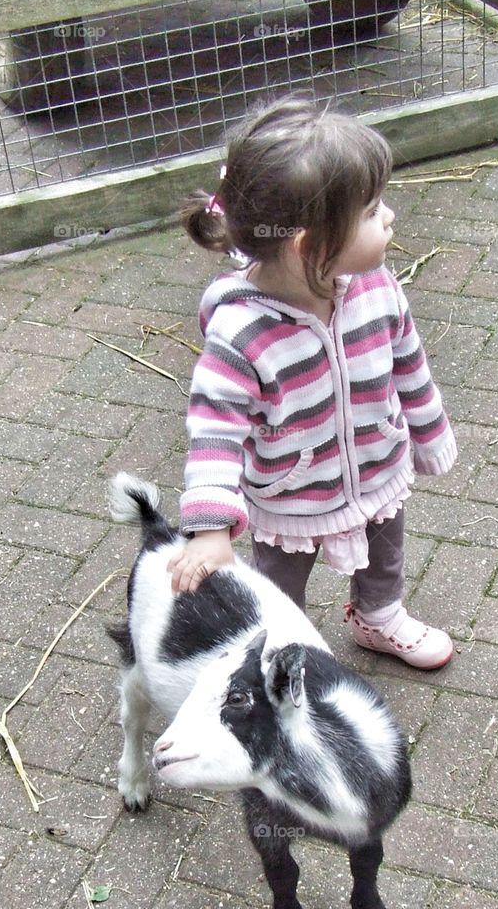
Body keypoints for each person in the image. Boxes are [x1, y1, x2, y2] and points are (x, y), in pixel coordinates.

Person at [168, 95, 457, 669]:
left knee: (385, 547)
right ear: (309, 244)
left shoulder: (376, 287)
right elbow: (214, 429)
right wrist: (210, 527)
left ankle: (379, 617)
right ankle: (284, 645)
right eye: (372, 211)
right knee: (279, 582)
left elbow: (408, 361)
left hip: (375, 460)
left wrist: (427, 431)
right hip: (291, 491)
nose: (390, 216)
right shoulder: (242, 332)